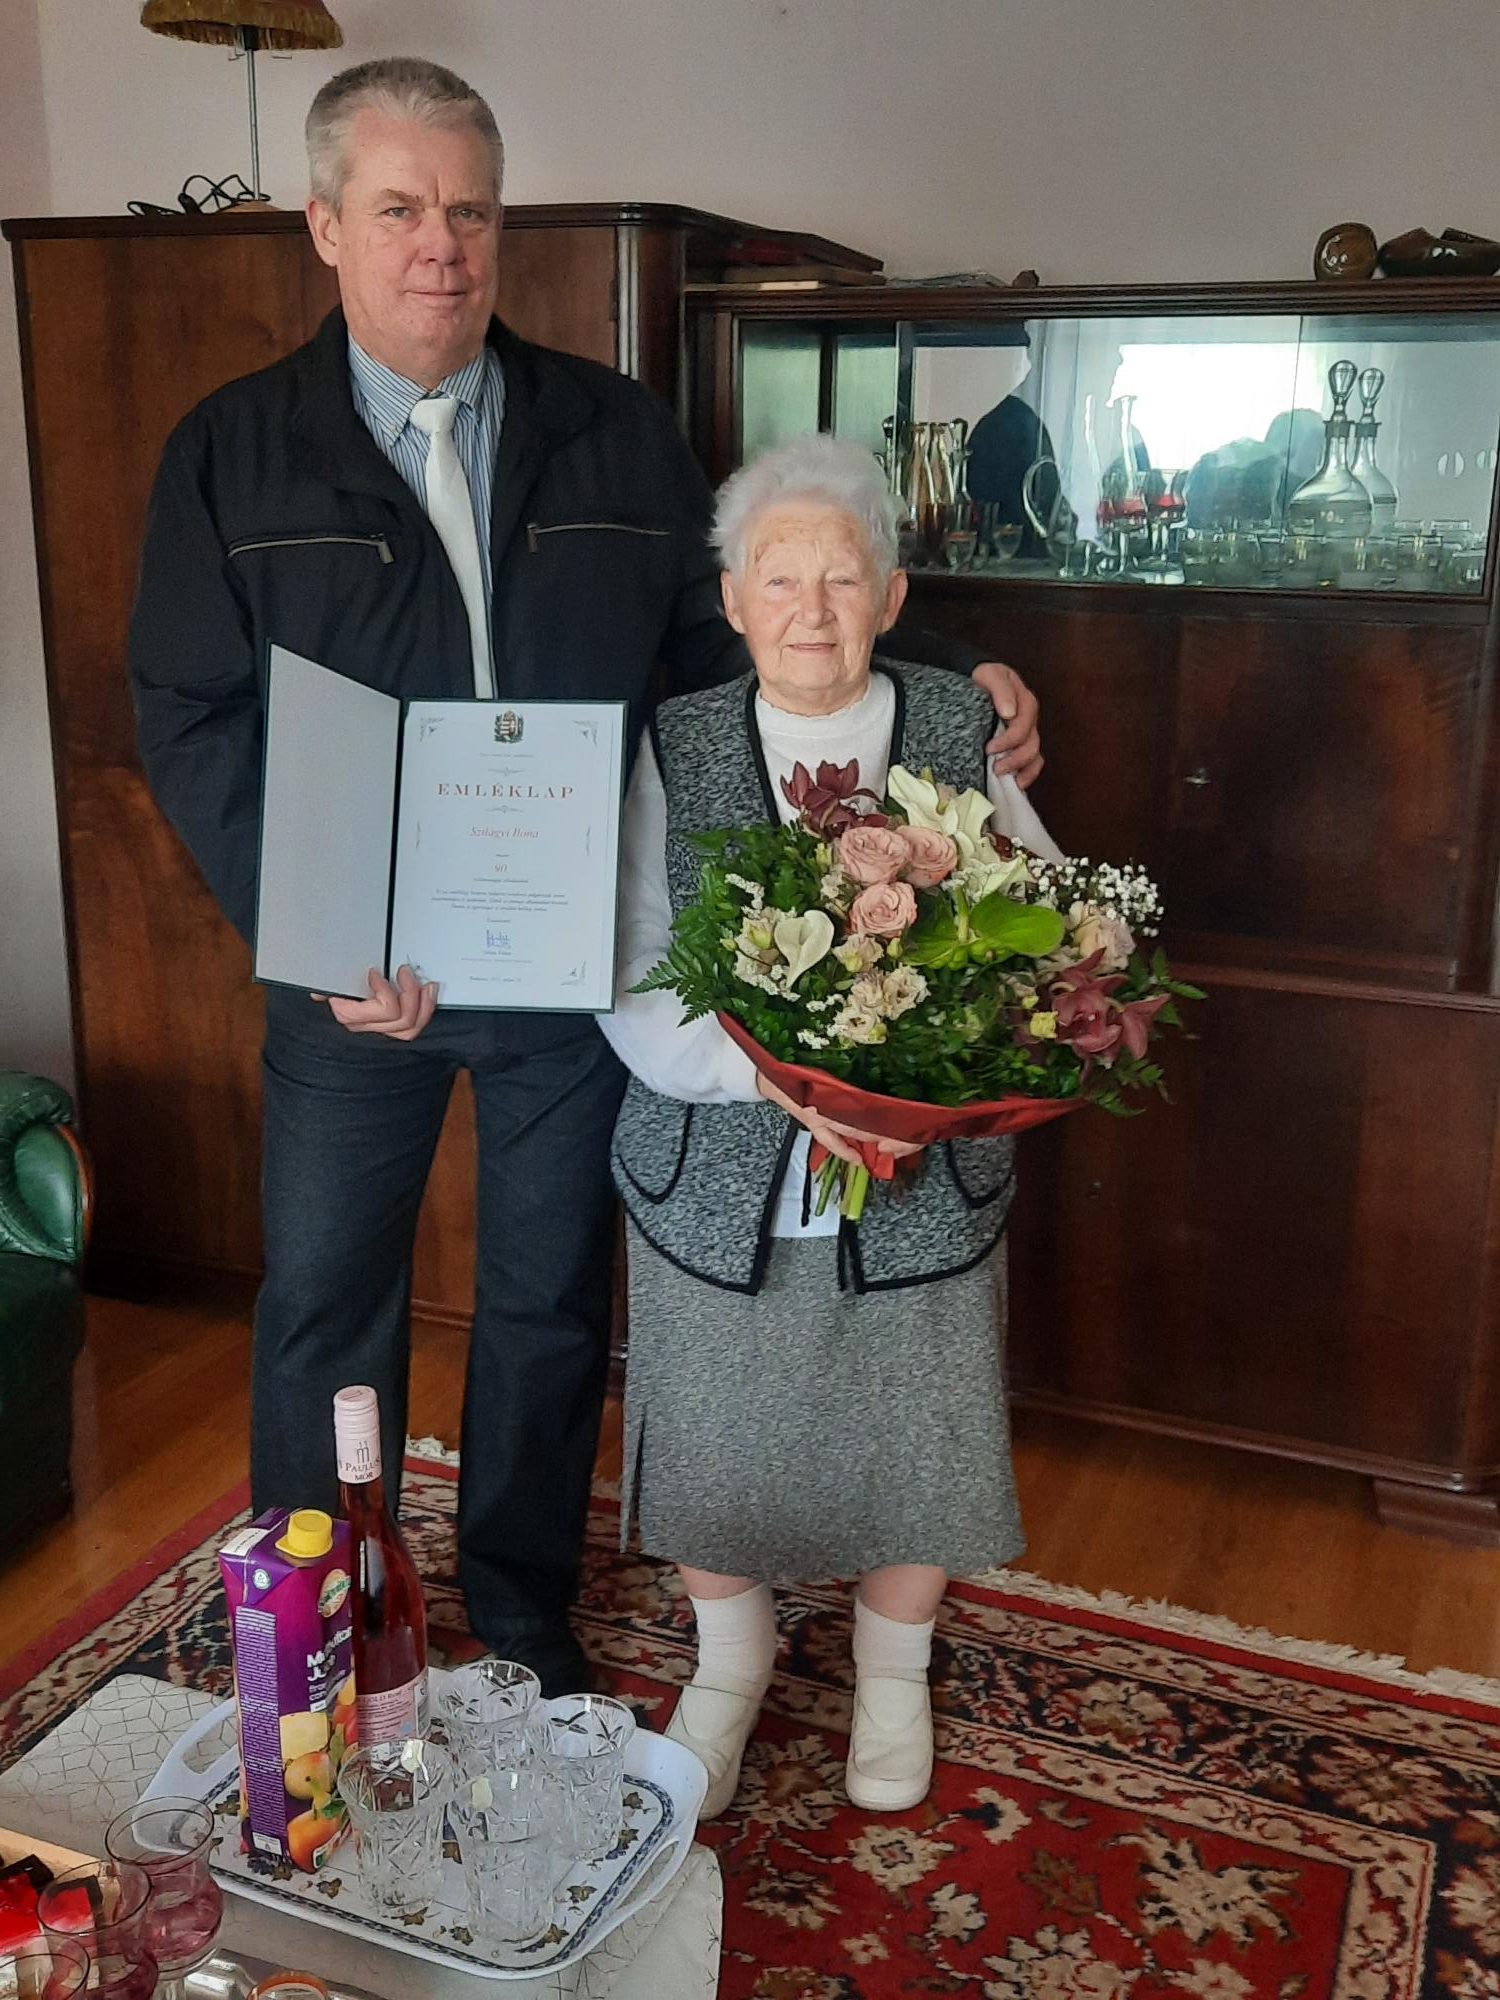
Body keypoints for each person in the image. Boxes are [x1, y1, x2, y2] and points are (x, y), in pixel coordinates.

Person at [127, 57, 1044, 1696]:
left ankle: (523, 1609)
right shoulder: (229, 453)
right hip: (355, 980)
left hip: (570, 966)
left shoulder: (615, 432)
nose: (441, 247)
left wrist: (951, 671)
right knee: (326, 1303)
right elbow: (190, 712)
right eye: (399, 210)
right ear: (325, 227)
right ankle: (315, 1612)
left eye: (470, 211)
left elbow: (734, 635)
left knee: (549, 1301)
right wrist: (315, 929)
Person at [600, 435, 1058, 1812]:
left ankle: (892, 1677)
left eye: (842, 578)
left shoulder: (957, 725)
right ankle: (729, 1668)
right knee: (716, 1424)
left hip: (922, 1168)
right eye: (778, 578)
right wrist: (776, 1083)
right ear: (730, 600)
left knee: (918, 1424)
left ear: (893, 597)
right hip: (716, 1159)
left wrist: (934, 1086)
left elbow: (1045, 930)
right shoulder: (676, 740)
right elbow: (626, 964)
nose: (811, 608)